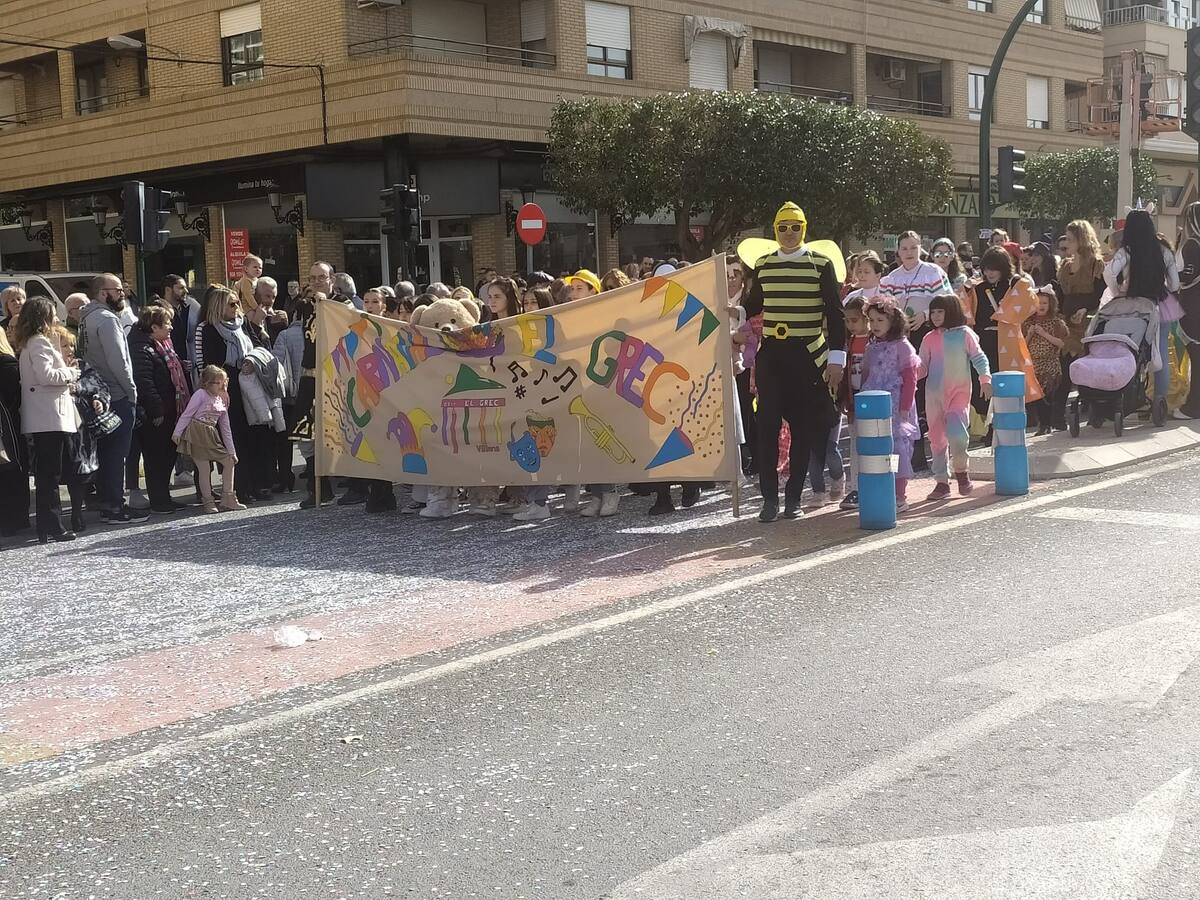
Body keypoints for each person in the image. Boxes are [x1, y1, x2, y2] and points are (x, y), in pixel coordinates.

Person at [743, 202, 845, 523]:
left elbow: (835, 313)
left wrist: (836, 359)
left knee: (802, 430)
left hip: (807, 355)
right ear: (775, 230)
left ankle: (794, 499)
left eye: (795, 227)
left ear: (804, 228)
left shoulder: (821, 264)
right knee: (767, 428)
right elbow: (752, 304)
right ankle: (769, 500)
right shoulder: (764, 264)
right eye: (783, 227)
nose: (789, 233)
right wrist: (732, 312)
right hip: (772, 354)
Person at [78, 273, 147, 524]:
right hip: (115, 393)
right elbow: (119, 362)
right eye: (117, 290)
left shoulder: (85, 318)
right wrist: (131, 391)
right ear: (102, 293)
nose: (122, 295)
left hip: (97, 393)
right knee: (117, 454)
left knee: (106, 453)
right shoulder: (106, 320)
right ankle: (115, 507)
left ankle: (108, 503)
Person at [15, 297, 80, 542]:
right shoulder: (39, 342)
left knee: (48, 473)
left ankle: (48, 526)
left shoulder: (35, 341)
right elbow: (47, 375)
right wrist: (72, 373)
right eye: (52, 314)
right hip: (48, 415)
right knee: (49, 474)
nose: (56, 318)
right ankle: (53, 525)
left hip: (45, 414)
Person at [198, 284, 269, 504]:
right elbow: (209, 362)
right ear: (219, 306)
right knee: (234, 437)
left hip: (249, 382)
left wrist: (251, 360)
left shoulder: (243, 324)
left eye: (237, 302)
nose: (236, 306)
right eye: (232, 303)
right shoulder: (209, 329)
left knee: (255, 435)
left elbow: (259, 346)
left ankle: (258, 484)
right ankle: (240, 487)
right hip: (226, 387)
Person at [918, 295, 992, 500]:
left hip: (958, 394)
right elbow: (922, 366)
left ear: (951, 311)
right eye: (932, 312)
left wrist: (985, 379)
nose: (935, 316)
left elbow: (978, 357)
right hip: (933, 396)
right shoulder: (928, 338)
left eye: (940, 311)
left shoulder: (965, 334)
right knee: (936, 439)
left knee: (958, 435)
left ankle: (962, 472)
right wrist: (908, 373)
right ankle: (941, 481)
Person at [1105, 208, 1180, 407]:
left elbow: (1108, 273)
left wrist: (1117, 291)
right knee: (1160, 351)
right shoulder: (1163, 249)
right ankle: (1159, 400)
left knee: (1131, 351)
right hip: (1160, 303)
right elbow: (1175, 284)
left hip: (1132, 305)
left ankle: (1132, 397)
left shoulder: (1126, 250)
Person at [860, 297, 920, 512]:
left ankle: (899, 493)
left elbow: (911, 379)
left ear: (893, 321)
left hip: (896, 407)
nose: (875, 325)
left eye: (880, 320)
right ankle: (882, 487)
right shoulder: (872, 347)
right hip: (875, 406)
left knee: (896, 449)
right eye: (871, 320)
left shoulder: (902, 347)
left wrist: (904, 409)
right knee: (877, 448)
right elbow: (866, 375)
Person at [128, 304, 188, 514]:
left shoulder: (163, 345)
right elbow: (144, 383)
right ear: (154, 327)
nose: (171, 327)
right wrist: (157, 411)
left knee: (167, 455)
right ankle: (159, 500)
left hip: (171, 409)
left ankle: (164, 497)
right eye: (167, 323)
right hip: (157, 414)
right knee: (156, 458)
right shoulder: (141, 348)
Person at [173, 365, 244, 513]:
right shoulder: (201, 394)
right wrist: (178, 432)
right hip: (197, 431)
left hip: (211, 433)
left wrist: (232, 450)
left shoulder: (223, 398)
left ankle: (228, 497)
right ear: (207, 383)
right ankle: (208, 500)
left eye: (224, 382)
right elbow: (187, 413)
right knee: (204, 469)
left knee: (229, 461)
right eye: (217, 382)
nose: (222, 385)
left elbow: (225, 427)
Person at [837, 297, 871, 511]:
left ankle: (887, 483)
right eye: (847, 321)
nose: (850, 325)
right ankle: (856, 487)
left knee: (877, 443)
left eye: (855, 320)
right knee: (856, 445)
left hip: (872, 397)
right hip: (853, 397)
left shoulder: (876, 341)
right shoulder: (847, 343)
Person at [1022, 290, 1069, 435]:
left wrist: (1044, 334)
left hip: (1051, 365)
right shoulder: (1027, 323)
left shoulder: (1056, 322)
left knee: (1049, 395)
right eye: (1038, 302)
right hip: (1034, 366)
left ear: (1050, 305)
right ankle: (1044, 424)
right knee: (1038, 397)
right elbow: (1022, 345)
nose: (1041, 306)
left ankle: (1049, 423)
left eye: (1044, 303)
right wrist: (1030, 334)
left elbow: (1062, 343)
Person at [0, 327, 29, 543]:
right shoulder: (9, 364)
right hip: (8, 423)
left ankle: (12, 519)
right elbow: (16, 397)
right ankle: (16, 518)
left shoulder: (7, 364)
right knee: (13, 468)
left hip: (6, 423)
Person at [249, 276, 288, 342]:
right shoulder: (245, 316)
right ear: (255, 295)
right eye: (267, 296)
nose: (271, 301)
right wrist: (256, 322)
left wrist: (285, 325)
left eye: (273, 297)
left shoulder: (276, 318)